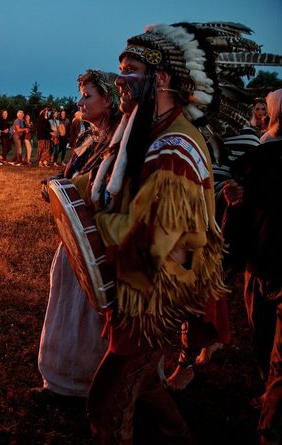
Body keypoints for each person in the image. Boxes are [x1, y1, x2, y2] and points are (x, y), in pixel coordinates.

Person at [86, 23, 229, 444]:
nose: (118, 81)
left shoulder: (175, 148)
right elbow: (121, 187)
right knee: (143, 382)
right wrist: (69, 197)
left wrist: (93, 227)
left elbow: (152, 244)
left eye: (129, 69)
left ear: (161, 79)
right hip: (143, 295)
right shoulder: (150, 129)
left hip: (153, 300)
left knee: (106, 406)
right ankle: (178, 433)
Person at [35, 69, 121, 402]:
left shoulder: (120, 144)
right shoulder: (87, 138)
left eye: (88, 96)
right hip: (74, 239)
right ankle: (59, 380)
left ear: (109, 101)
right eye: (81, 95)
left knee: (91, 314)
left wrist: (67, 188)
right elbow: (70, 175)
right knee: (65, 305)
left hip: (100, 240)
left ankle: (92, 384)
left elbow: (108, 191)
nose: (80, 102)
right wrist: (54, 184)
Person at [223, 88, 282, 443]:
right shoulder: (258, 155)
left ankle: (270, 427)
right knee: (262, 331)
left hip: (264, 258)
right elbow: (240, 204)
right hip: (261, 260)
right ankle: (268, 392)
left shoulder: (258, 155)